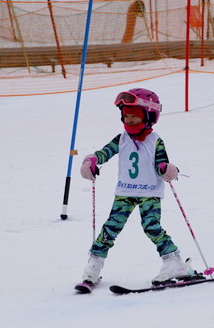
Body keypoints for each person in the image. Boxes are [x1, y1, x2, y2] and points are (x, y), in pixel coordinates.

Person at [78, 88, 193, 287]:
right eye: (126, 116)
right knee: (110, 228)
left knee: (151, 227)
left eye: (135, 117)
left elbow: (161, 163)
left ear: (149, 117)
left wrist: (167, 169)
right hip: (125, 192)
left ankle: (174, 262)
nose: (129, 121)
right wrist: (92, 159)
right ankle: (94, 264)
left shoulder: (155, 140)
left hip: (149, 193)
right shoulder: (121, 138)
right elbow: (105, 152)